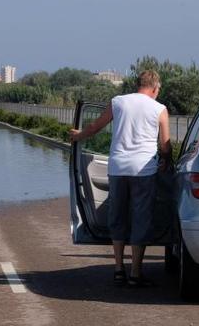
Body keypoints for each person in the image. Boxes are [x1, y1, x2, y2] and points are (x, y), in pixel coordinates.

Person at [69, 70, 171, 287]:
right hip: (143, 171)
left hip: (117, 168)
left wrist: (78, 136)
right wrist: (166, 159)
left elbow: (96, 126)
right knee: (140, 217)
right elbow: (165, 144)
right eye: (158, 90)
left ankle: (118, 268)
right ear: (154, 88)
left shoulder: (118, 102)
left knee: (118, 215)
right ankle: (135, 273)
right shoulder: (160, 109)